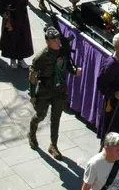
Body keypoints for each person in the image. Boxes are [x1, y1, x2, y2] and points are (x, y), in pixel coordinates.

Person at [28, 27, 81, 159]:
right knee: (40, 115)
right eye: (54, 40)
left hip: (59, 90)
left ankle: (53, 145)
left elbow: (68, 64)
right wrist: (33, 95)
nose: (57, 42)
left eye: (58, 39)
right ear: (47, 42)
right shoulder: (41, 57)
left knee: (55, 119)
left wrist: (74, 71)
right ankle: (32, 133)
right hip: (45, 90)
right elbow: (32, 77)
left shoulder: (62, 52)